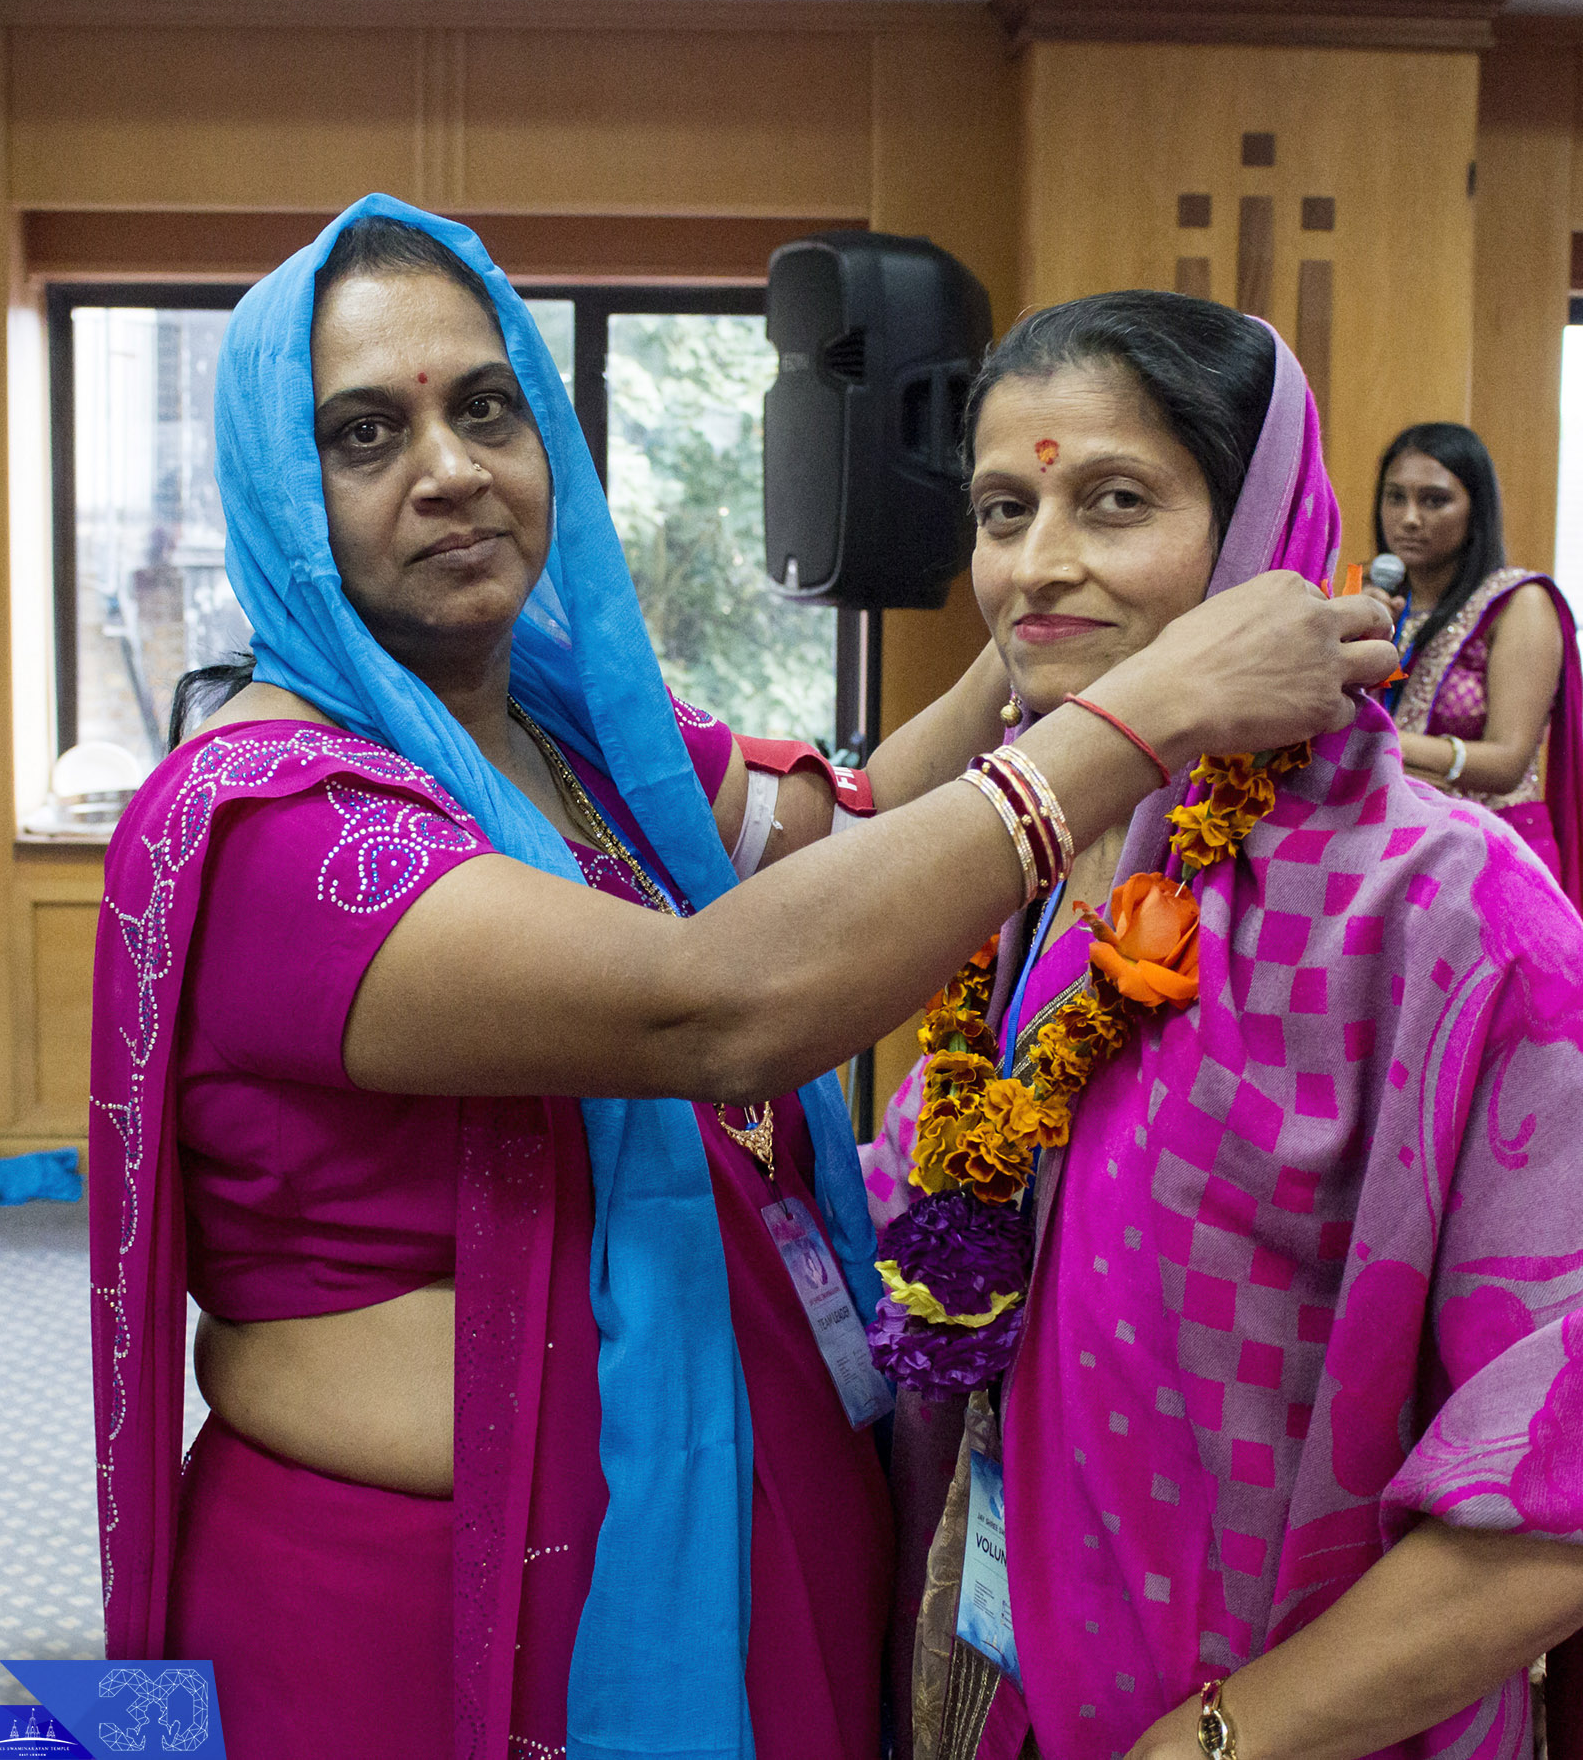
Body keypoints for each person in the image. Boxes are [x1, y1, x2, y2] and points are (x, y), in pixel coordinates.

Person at [86, 200, 1391, 1760]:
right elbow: (713, 1004)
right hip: (411, 1605)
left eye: (484, 405)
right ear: (281, 491)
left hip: (727, 1497)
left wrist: (1048, 611)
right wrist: (1148, 712)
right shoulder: (269, 822)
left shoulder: (580, 742)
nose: (447, 467)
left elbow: (859, 828)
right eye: (364, 432)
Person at [865, 293, 1583, 1760]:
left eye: (1114, 499)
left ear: (1259, 529)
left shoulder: (1448, 914)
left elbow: (1552, 1498)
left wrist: (1207, 1749)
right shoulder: (1007, 878)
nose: (1038, 565)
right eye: (1006, 508)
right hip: (982, 1691)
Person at [1371, 423, 1583, 910]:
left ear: (1476, 510)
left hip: (1499, 857)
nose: (1408, 519)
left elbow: (1507, 761)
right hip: (1400, 848)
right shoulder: (1373, 601)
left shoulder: (1518, 602)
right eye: (1394, 497)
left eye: (1434, 500)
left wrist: (1382, 744)